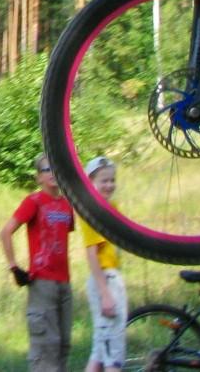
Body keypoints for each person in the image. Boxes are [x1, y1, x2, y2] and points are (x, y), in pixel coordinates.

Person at [0, 153, 74, 372]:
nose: (52, 173)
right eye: (46, 169)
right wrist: (14, 267)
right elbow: (5, 232)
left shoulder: (67, 205)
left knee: (63, 345)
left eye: (55, 168)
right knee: (46, 346)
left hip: (64, 283)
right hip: (42, 283)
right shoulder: (34, 202)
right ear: (38, 177)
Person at [79, 156, 128, 372]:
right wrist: (105, 293)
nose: (109, 185)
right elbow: (92, 255)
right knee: (113, 351)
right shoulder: (93, 211)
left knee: (100, 349)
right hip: (105, 279)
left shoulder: (111, 207)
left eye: (112, 180)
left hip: (111, 275)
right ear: (90, 182)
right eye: (103, 181)